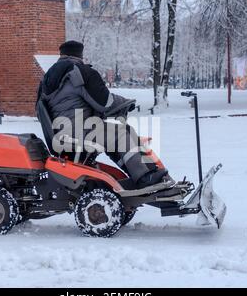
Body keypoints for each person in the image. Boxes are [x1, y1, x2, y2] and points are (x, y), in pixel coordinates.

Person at [37, 41, 169, 189]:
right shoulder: (79, 72)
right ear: (80, 55)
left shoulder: (48, 78)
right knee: (122, 133)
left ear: (61, 55)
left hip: (62, 132)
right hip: (78, 131)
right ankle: (145, 176)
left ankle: (137, 174)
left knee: (112, 135)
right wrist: (125, 103)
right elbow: (105, 102)